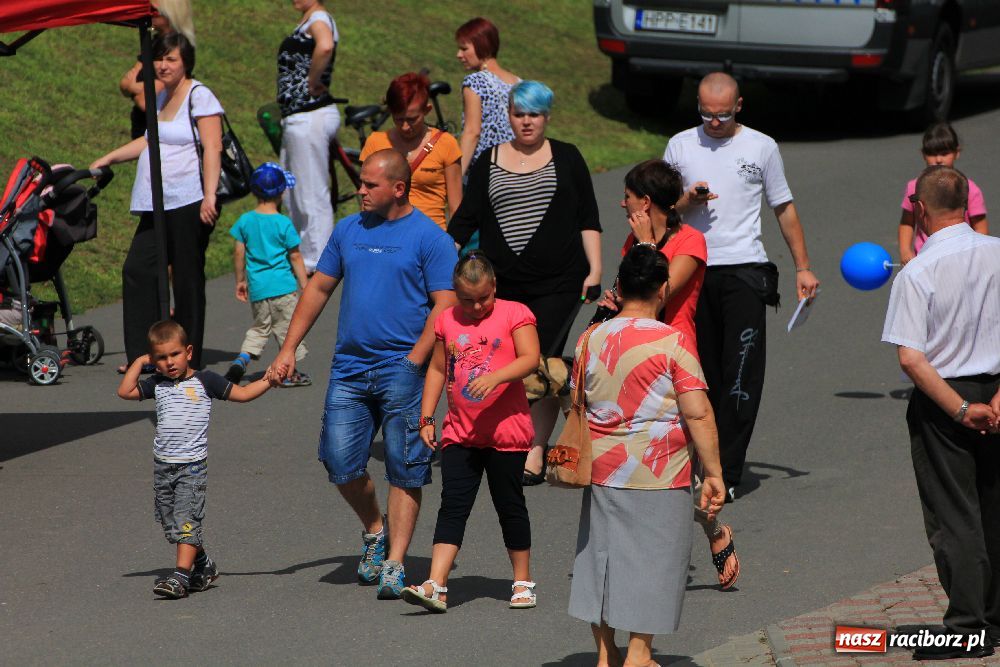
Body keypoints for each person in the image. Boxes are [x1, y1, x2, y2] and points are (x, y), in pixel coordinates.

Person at [267, 150, 458, 600]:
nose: (361, 190)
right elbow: (318, 287)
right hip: (349, 368)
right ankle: (375, 529)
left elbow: (445, 305)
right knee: (339, 462)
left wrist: (414, 360)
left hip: (403, 368)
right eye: (362, 183)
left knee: (405, 468)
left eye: (371, 184)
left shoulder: (431, 238)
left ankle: (395, 562)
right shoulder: (349, 230)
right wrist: (289, 347)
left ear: (398, 188)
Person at [663, 71, 819, 500]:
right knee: (700, 373)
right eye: (706, 114)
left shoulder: (761, 146)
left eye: (723, 115)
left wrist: (803, 267)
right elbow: (662, 208)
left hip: (745, 270)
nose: (714, 123)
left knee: (740, 373)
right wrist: (687, 201)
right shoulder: (680, 145)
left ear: (739, 106)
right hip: (691, 268)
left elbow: (783, 207)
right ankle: (699, 461)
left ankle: (727, 473)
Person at [568, 246, 727, 667]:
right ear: (663, 288)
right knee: (656, 564)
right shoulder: (673, 341)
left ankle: (606, 655)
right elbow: (698, 412)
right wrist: (713, 472)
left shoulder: (590, 338)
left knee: (601, 560)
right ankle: (639, 655)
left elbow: (576, 399)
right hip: (661, 471)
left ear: (619, 288)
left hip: (602, 468)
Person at [449, 80, 602, 487]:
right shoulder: (489, 161)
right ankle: (505, 437)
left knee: (539, 361)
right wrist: (441, 259)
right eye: (520, 114)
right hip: (505, 285)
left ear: (547, 117)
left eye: (534, 114)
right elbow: (465, 220)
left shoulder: (567, 157)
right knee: (507, 361)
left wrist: (595, 269)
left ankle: (533, 450)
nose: (527, 122)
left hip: (559, 282)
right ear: (509, 117)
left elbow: (588, 217)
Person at [596, 159, 739, 590]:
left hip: (674, 356)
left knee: (677, 466)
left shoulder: (691, 241)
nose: (622, 204)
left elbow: (657, 297)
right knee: (635, 457)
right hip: (630, 358)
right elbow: (627, 296)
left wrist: (644, 247)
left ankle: (713, 528)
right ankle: (640, 556)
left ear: (645, 202)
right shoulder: (633, 242)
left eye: (627, 197)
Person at [882, 165, 1000, 661]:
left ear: (920, 209)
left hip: (944, 400)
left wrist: (962, 409)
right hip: (996, 391)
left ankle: (968, 627)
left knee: (955, 515)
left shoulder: (918, 271)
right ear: (967, 203)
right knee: (994, 507)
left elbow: (911, 358)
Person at [401, 253, 540, 613]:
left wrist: (496, 377)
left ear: (494, 286)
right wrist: (426, 417)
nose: (477, 307)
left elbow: (530, 358)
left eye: (483, 298)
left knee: (509, 504)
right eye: (467, 299)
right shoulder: (447, 320)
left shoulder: (514, 313)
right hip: (460, 432)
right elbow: (437, 369)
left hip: (506, 433)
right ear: (455, 293)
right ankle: (436, 584)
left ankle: (522, 581)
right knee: (453, 505)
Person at [93, 32, 223, 372]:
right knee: (138, 270)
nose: (163, 65)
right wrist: (108, 158)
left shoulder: (200, 95)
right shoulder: (160, 95)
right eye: (159, 58)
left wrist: (210, 195)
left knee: (186, 279)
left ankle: (187, 357)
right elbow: (150, 141)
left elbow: (213, 147)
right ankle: (146, 356)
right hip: (156, 202)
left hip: (190, 199)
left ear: (186, 63)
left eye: (171, 59)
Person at [117, 320, 274, 599]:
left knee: (186, 520)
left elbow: (243, 394)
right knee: (172, 526)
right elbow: (125, 392)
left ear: (188, 352)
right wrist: (140, 362)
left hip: (191, 467)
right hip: (163, 467)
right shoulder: (157, 384)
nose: (169, 362)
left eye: (175, 354)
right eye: (161, 358)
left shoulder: (206, 381)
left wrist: (269, 380)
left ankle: (180, 576)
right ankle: (203, 564)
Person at [225, 163, 310, 387]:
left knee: (260, 328)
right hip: (283, 287)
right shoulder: (283, 223)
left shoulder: (245, 220)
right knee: (288, 331)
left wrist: (240, 280)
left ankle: (242, 360)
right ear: (282, 192)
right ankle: (289, 373)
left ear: (254, 191)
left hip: (259, 288)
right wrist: (305, 284)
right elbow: (295, 256)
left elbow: (239, 252)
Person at [277, 0, 340, 272]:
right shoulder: (309, 20)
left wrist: (312, 80)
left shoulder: (319, 19)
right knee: (293, 191)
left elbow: (325, 45)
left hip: (309, 116)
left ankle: (319, 261)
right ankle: (302, 254)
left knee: (311, 192)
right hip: (297, 117)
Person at [360, 72, 462, 231]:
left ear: (427, 110)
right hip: (383, 235)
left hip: (429, 237)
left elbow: (456, 208)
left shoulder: (446, 144)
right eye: (399, 119)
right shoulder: (375, 142)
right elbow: (366, 201)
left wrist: (452, 241)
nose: (405, 127)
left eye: (412, 119)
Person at [898, 122, 988, 265]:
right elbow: (907, 223)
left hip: (961, 257)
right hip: (925, 257)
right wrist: (905, 250)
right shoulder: (914, 187)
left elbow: (980, 227)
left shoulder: (969, 189)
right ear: (923, 154)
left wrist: (976, 255)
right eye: (932, 154)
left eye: (945, 153)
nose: (938, 159)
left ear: (957, 152)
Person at [119, 0, 195, 140]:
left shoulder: (178, 47)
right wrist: (139, 89)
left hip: (161, 131)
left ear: (169, 14)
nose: (148, 14)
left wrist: (134, 88)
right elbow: (124, 84)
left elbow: (145, 102)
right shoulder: (153, 42)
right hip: (142, 127)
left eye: (153, 10)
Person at [454, 17, 520, 177]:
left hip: (485, 172)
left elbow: (472, 132)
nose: (459, 55)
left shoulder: (476, 82)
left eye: (464, 49)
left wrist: (455, 178)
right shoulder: (518, 82)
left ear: (481, 45)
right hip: (516, 170)